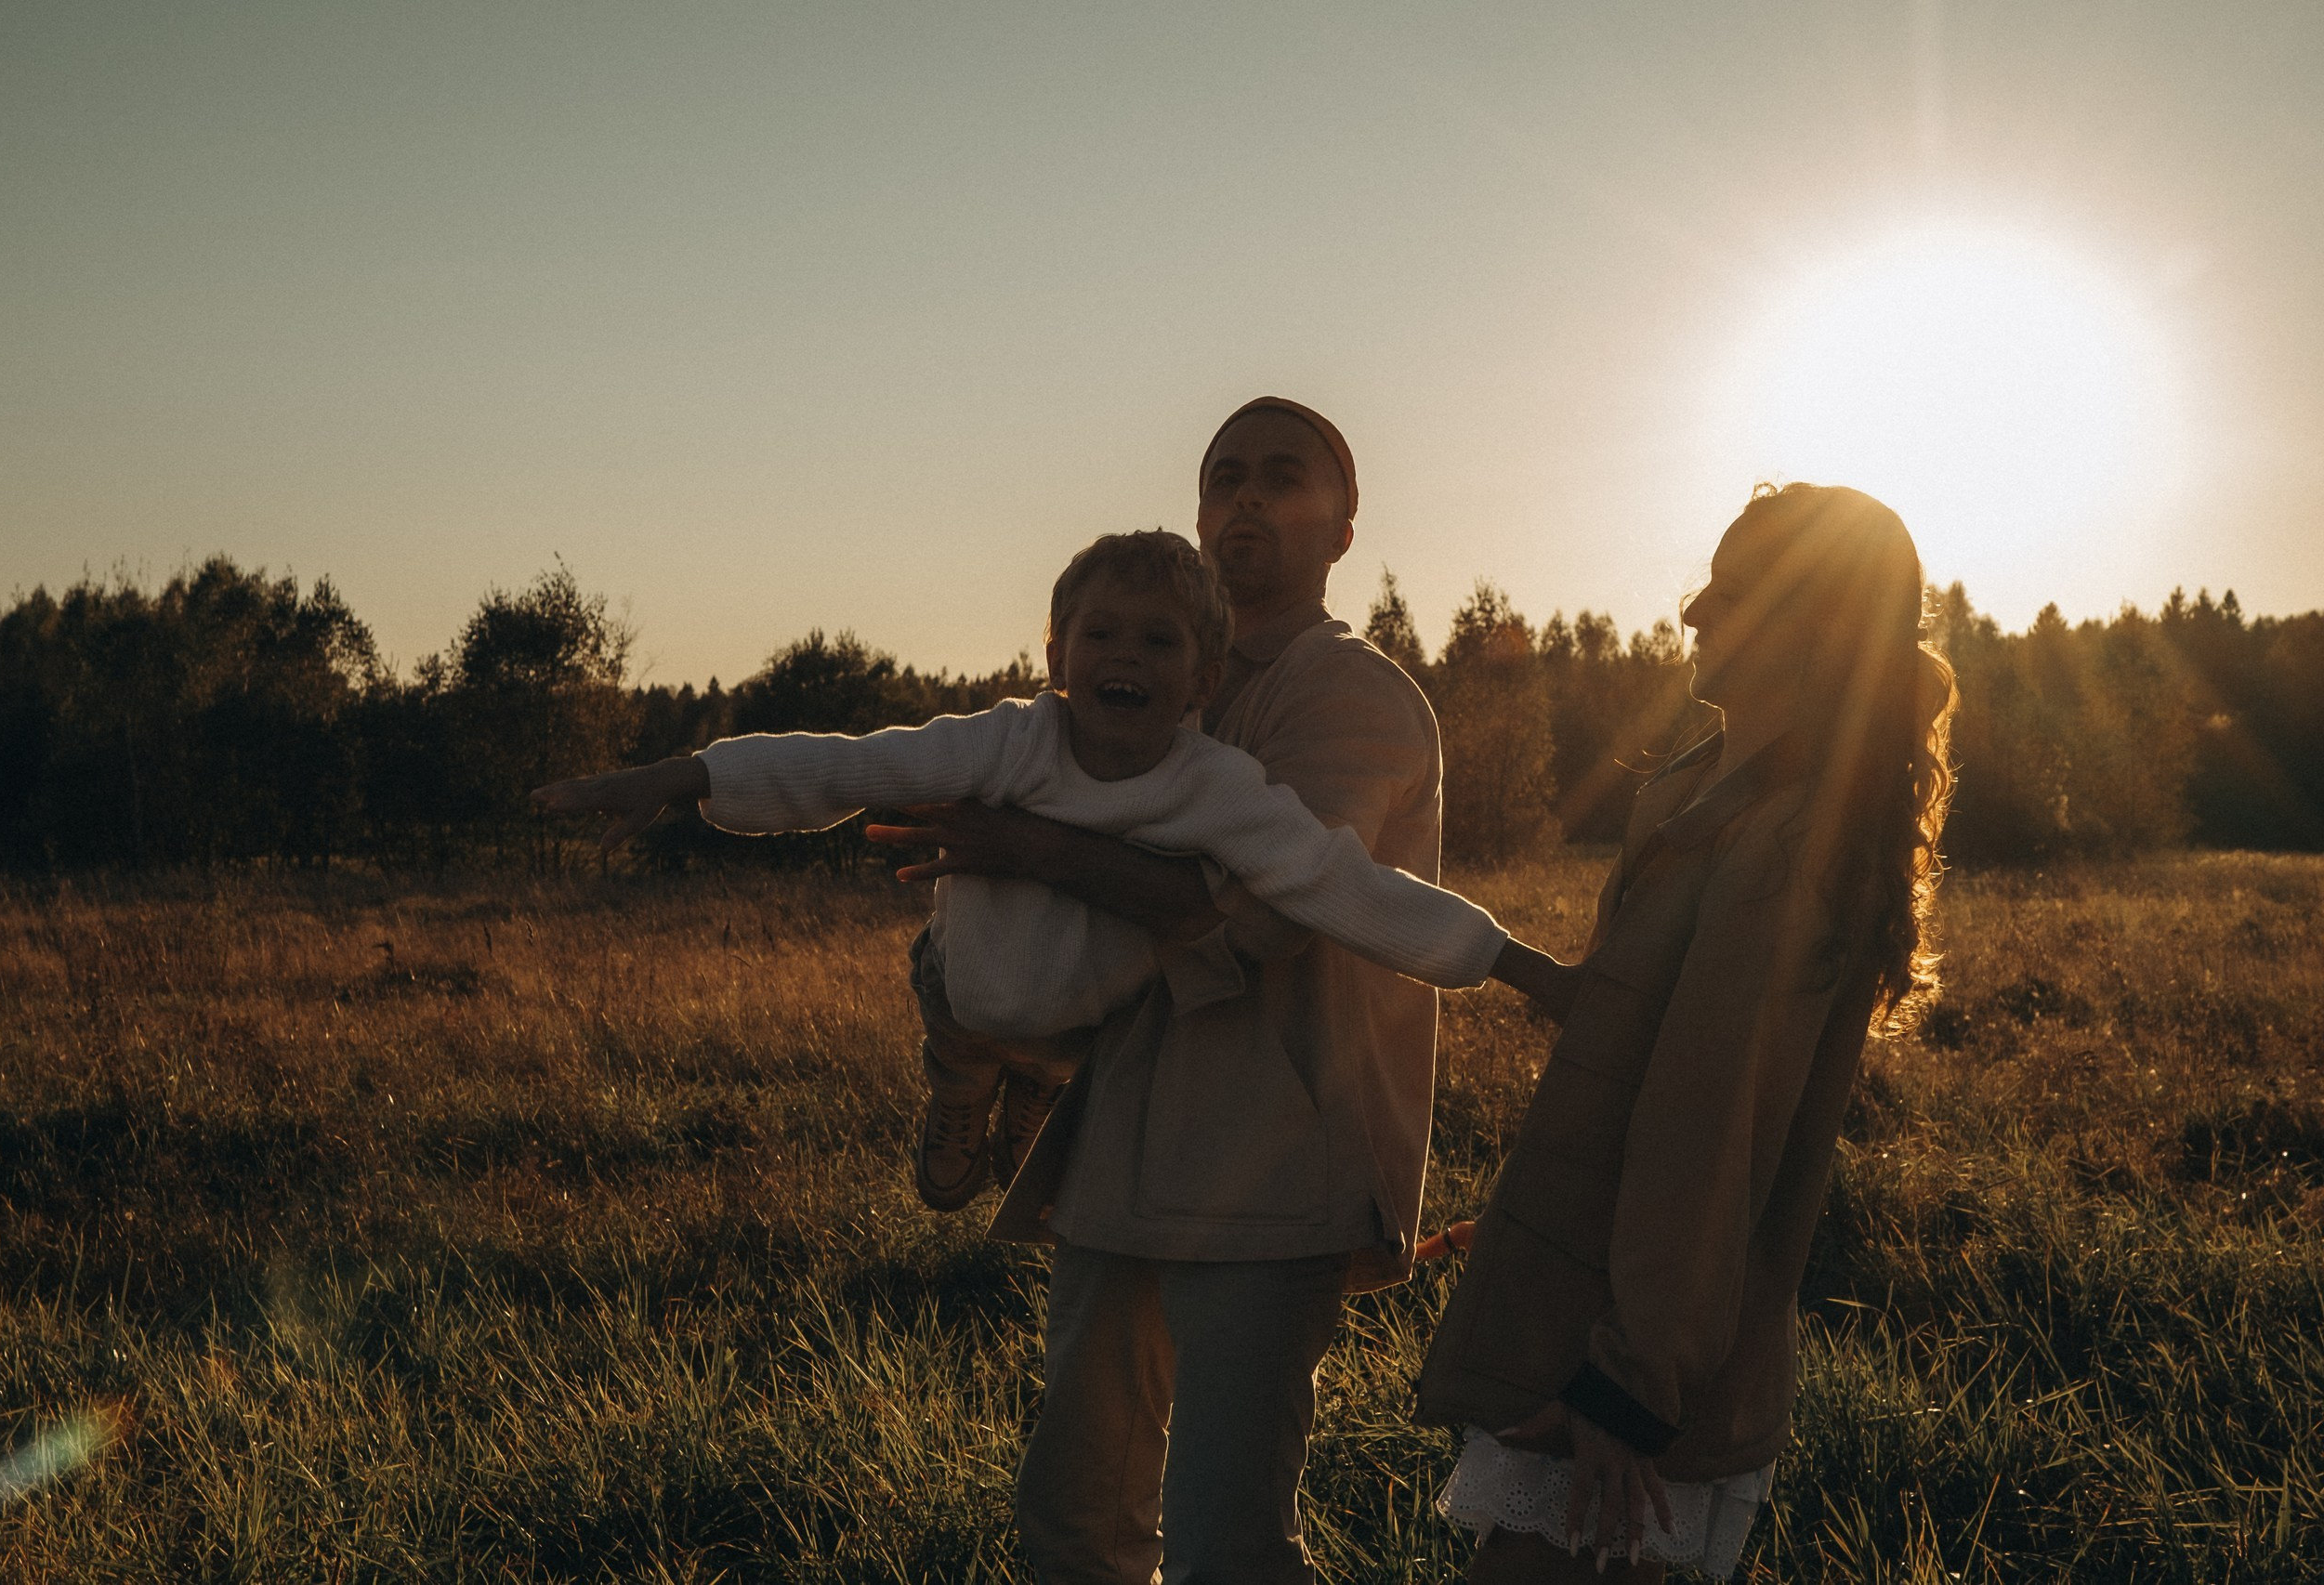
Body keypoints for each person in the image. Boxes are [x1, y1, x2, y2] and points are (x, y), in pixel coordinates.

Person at [875, 399, 1562, 1584]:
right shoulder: (1158, 679)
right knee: (1073, 1522)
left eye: (1282, 478)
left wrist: (1031, 850)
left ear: (1343, 528)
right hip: (1122, 1148)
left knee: (1227, 1546)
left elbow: (1266, 908)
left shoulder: (1347, 693)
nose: (1245, 499)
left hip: (1272, 1166)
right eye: (1223, 478)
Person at [532, 529, 1568, 1216]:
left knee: (1068, 1036)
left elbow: (1344, 884)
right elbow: (851, 763)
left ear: (1201, 681)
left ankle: (1033, 1081)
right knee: (948, 990)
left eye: (1158, 640)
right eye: (1100, 632)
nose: (1126, 653)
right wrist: (684, 775)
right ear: (1055, 654)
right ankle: (962, 1081)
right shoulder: (1005, 743)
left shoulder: (1220, 787)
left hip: (1082, 1027)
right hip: (967, 985)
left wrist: (1513, 963)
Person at [1410, 483, 1959, 1582]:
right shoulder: (1703, 794)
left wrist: (1632, 1379)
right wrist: (1545, 1214)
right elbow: (1638, 1068)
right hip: (1605, 1320)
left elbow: (1711, 1125)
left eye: (1736, 590)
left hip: (1635, 1379)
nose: (1693, 610)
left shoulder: (1789, 842)